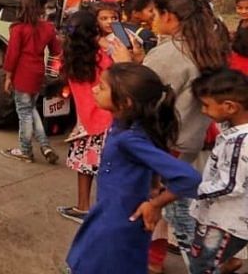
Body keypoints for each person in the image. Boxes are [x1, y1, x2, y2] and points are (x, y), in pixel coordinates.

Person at [64, 63, 201, 274]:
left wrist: (155, 204)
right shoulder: (126, 126)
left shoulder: (130, 139)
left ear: (126, 103)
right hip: (107, 218)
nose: (94, 90)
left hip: (116, 229)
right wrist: (154, 186)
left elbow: (189, 177)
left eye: (101, 87)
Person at [129, 0, 229, 259]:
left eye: (156, 13)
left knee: (176, 222)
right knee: (173, 214)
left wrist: (126, 66)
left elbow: (138, 96)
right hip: (187, 146)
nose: (152, 19)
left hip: (163, 146)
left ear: (170, 17)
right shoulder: (207, 47)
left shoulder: (171, 52)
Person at [188, 69, 248, 274]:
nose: (203, 111)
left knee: (202, 265)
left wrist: (191, 188)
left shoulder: (240, 141)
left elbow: (230, 185)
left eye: (206, 105)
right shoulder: (233, 131)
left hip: (224, 223)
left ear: (230, 107)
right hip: (221, 218)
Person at [57, 9, 114, 224]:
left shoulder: (69, 58)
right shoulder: (103, 58)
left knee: (84, 166)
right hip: (107, 120)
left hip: (85, 121)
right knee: (106, 169)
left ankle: (82, 207)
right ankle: (104, 213)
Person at [0, 0, 62, 164]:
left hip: (22, 73)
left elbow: (12, 55)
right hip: (38, 72)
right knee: (31, 109)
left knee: (24, 113)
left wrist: (8, 77)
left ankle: (25, 150)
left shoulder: (18, 28)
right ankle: (45, 145)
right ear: (43, 7)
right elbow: (57, 51)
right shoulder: (48, 28)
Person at [231, 0, 248, 75]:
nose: (243, 11)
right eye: (240, 8)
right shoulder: (242, 22)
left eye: (247, 8)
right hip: (238, 61)